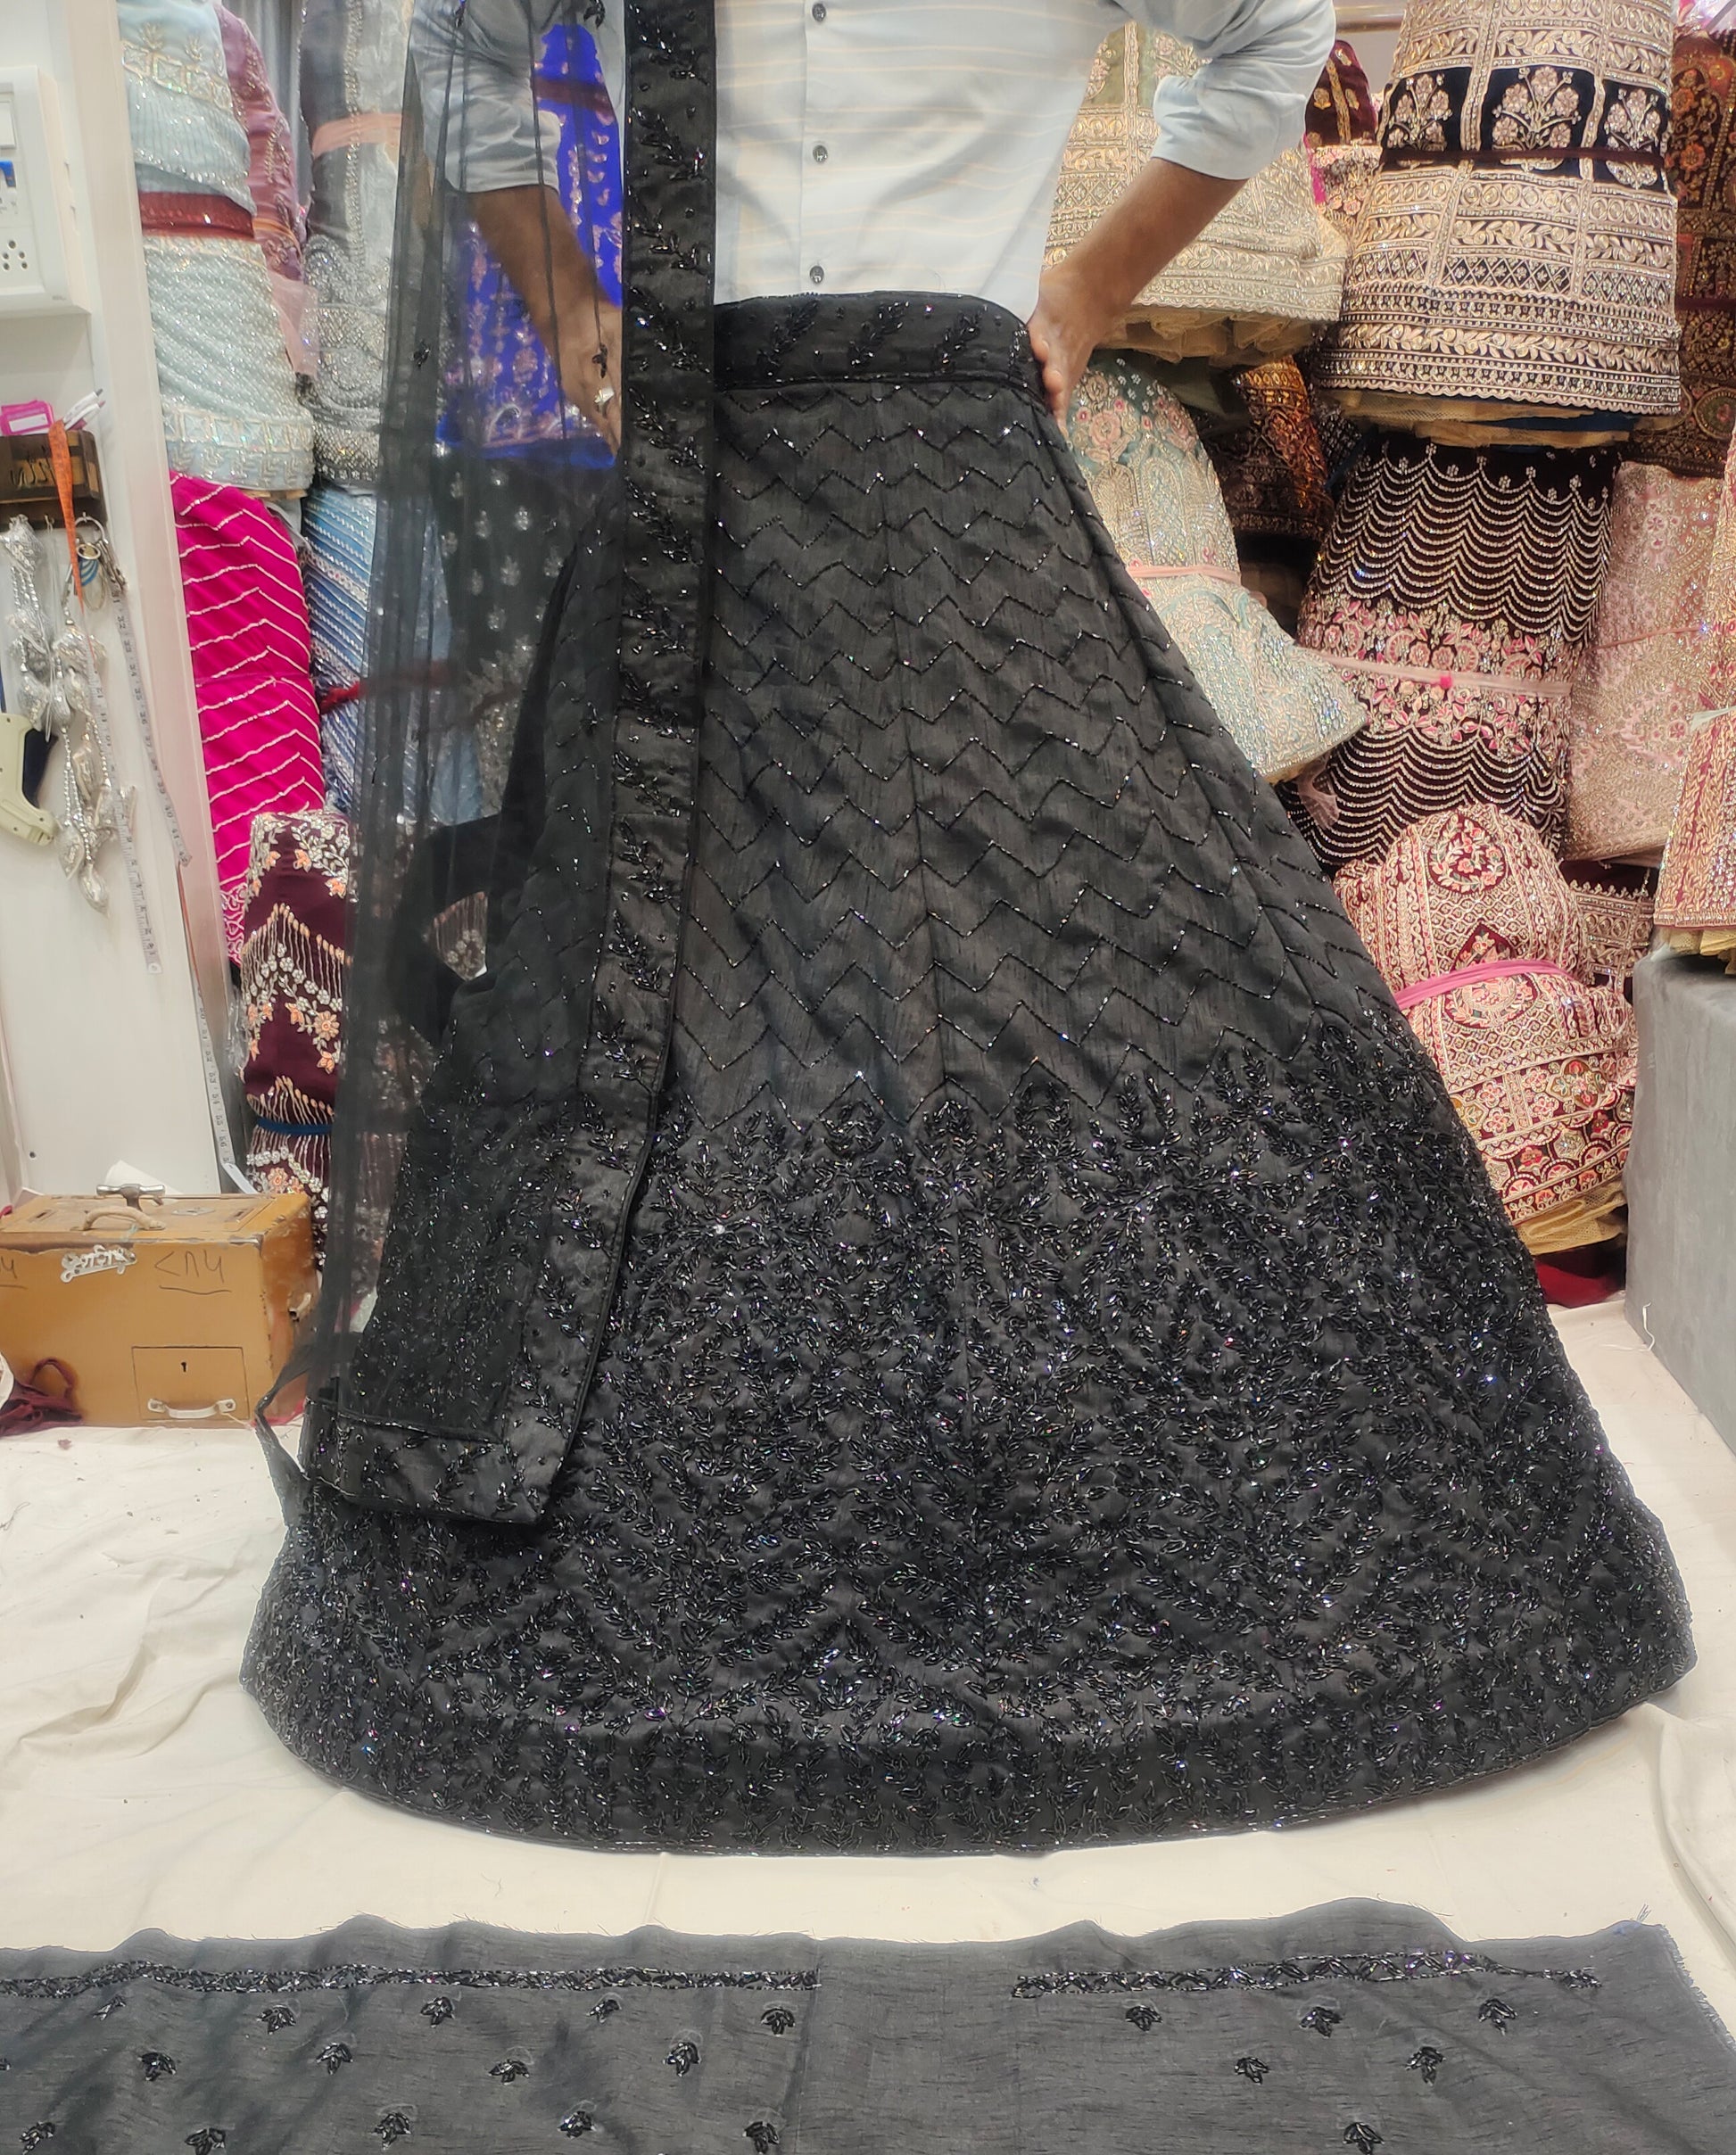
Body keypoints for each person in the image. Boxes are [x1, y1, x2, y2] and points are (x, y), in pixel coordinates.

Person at [243, 0, 1691, 1852]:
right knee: (679, 988)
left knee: (1063, 960)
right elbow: (460, 40)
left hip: (958, 497)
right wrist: (572, 308)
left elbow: (1269, 37)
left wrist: (1080, 290)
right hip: (699, 511)